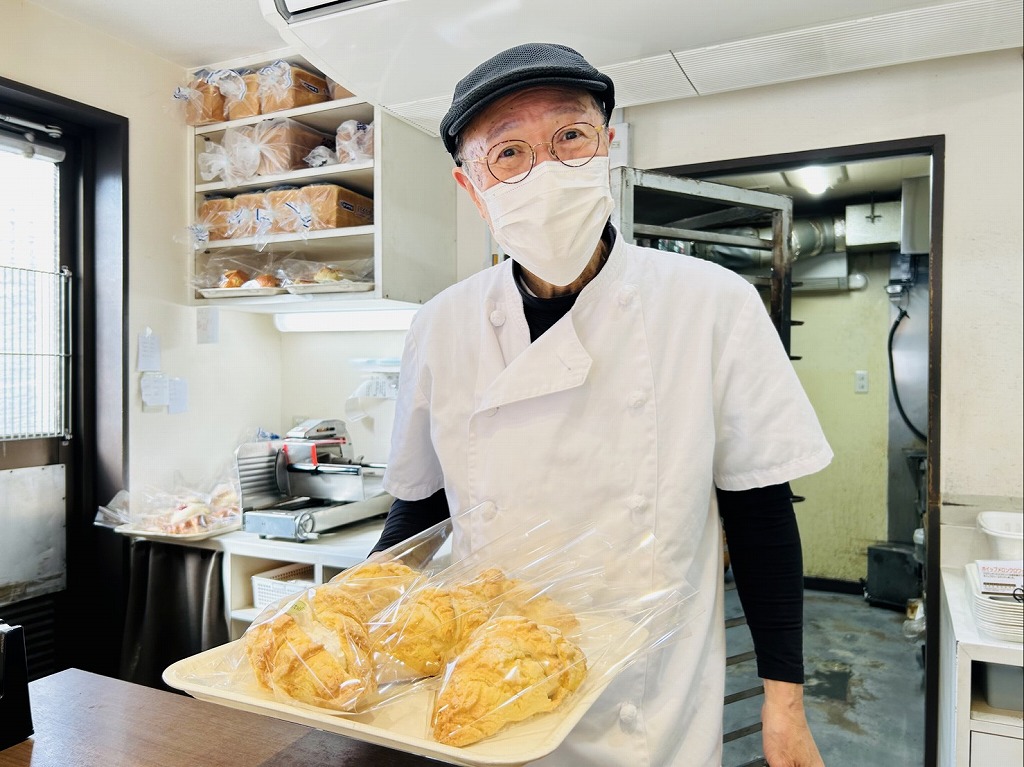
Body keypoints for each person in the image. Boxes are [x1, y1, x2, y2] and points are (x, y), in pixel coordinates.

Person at [372, 42, 833, 767]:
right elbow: (417, 512)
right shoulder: (440, 327)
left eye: (570, 137)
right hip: (488, 702)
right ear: (472, 188)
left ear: (607, 149)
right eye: (509, 153)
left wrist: (785, 703)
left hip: (648, 711)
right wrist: (347, 624)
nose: (546, 171)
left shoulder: (710, 305)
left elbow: (760, 515)